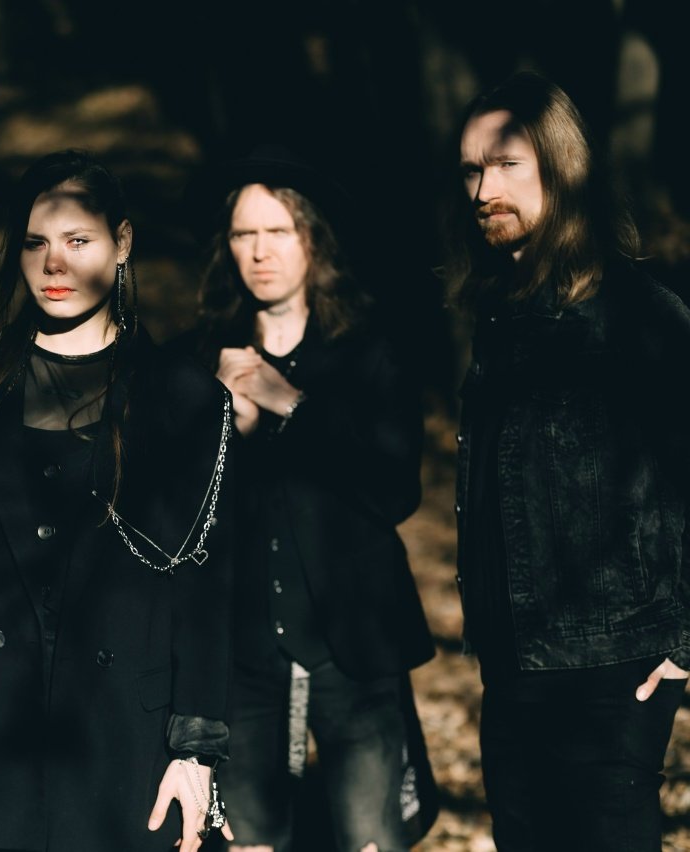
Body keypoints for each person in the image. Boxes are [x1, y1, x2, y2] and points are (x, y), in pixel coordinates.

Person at [0, 149, 235, 852]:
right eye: (35, 242)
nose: (54, 263)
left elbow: (207, 590)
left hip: (126, 744)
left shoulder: (186, 401)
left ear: (122, 243)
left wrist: (197, 749)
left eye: (77, 240)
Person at [448, 71, 690, 850]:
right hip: (511, 668)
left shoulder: (638, 316)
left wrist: (685, 643)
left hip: (613, 674)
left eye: (506, 164)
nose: (484, 189)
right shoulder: (502, 318)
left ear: (562, 167)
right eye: (471, 170)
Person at [176, 148, 436, 852]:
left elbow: (395, 490)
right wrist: (220, 426)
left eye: (278, 231)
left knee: (371, 839)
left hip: (352, 646)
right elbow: (171, 513)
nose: (259, 252)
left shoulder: (369, 352)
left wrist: (289, 402)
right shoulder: (200, 357)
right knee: (249, 841)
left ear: (313, 240)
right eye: (243, 234)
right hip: (242, 655)